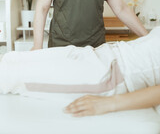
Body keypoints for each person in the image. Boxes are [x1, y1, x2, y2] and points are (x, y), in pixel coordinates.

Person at [0, 26, 160, 117]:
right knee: (12, 59)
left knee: (13, 75)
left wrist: (110, 103)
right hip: (102, 53)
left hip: (110, 75)